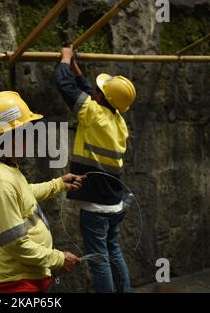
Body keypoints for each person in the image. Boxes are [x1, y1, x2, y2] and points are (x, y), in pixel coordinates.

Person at [0, 91, 82, 293]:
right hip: (18, 283)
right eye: (25, 130)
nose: (30, 136)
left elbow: (22, 194)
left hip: (27, 277)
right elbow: (16, 244)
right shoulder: (1, 183)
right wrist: (58, 259)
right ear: (9, 135)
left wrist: (58, 184)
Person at [55, 46, 137, 293]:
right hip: (114, 204)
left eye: (99, 91)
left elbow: (64, 86)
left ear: (101, 98)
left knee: (100, 259)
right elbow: (93, 92)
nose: (95, 92)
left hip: (96, 208)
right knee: (113, 251)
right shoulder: (118, 120)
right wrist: (77, 69)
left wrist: (65, 59)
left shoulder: (92, 113)